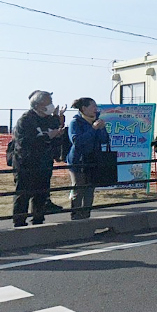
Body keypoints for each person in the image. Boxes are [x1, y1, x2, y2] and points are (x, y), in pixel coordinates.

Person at [11, 91, 65, 227]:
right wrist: (48, 136)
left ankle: (38, 220)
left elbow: (54, 142)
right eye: (49, 102)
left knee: (41, 194)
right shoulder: (26, 120)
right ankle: (19, 222)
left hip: (44, 162)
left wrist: (57, 135)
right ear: (39, 105)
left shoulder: (49, 119)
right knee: (23, 193)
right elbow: (24, 142)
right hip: (26, 163)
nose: (51, 104)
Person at [66, 97, 109, 219]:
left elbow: (105, 140)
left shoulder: (97, 120)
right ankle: (76, 216)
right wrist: (93, 129)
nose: (96, 109)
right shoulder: (76, 122)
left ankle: (86, 216)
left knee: (90, 190)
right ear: (84, 108)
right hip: (78, 161)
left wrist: (101, 129)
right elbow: (77, 141)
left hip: (94, 159)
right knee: (78, 189)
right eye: (93, 106)